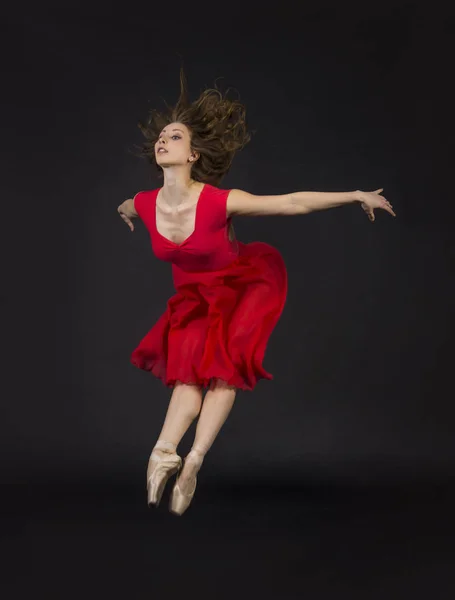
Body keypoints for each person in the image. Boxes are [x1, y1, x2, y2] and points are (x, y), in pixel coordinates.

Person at [117, 72, 396, 516]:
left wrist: (354, 195)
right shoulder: (144, 202)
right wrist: (124, 213)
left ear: (192, 154)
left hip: (242, 287)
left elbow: (290, 202)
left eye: (175, 136)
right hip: (193, 298)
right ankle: (166, 453)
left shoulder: (218, 201)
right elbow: (127, 207)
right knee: (187, 378)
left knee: (224, 371)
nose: (163, 141)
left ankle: (195, 460)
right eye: (162, 136)